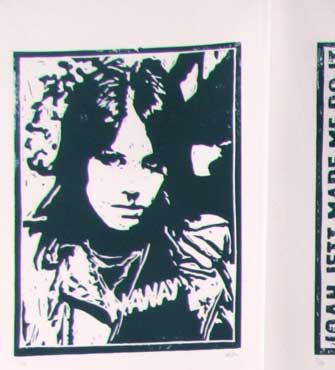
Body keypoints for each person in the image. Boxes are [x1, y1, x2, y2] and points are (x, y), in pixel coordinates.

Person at [19, 57, 235, 349]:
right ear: (78, 159)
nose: (133, 187)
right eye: (112, 160)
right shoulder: (32, 259)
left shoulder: (208, 248)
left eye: (152, 164)